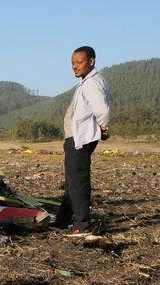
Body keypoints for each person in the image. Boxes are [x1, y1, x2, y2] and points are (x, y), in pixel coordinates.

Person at [55, 45, 111, 234]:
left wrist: (103, 128)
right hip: (76, 138)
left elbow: (102, 109)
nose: (74, 66)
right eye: (72, 63)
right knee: (72, 181)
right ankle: (62, 220)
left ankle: (82, 224)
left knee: (78, 180)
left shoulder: (92, 83)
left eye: (79, 62)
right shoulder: (86, 82)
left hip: (80, 139)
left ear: (91, 61)